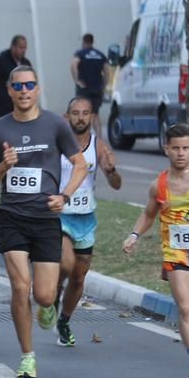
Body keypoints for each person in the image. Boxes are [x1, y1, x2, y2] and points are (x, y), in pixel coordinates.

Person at [0, 64, 87, 378]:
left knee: (42, 294)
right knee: (20, 286)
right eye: (18, 86)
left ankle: (48, 304)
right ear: (9, 91)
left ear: (38, 89)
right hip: (11, 216)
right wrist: (3, 166)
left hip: (45, 219)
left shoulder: (56, 124)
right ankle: (27, 356)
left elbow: (79, 165)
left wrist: (65, 196)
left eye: (30, 85)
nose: (24, 91)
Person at [122, 123, 189, 378]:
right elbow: (148, 214)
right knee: (185, 308)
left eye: (185, 148)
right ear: (166, 149)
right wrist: (134, 235)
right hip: (176, 256)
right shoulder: (159, 185)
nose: (181, 153)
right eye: (176, 148)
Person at [54, 95, 123, 348]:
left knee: (79, 277)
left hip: (85, 218)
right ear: (67, 116)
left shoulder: (100, 146)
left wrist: (112, 171)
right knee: (66, 261)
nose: (80, 117)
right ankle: (53, 294)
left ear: (92, 117)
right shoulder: (57, 144)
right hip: (59, 215)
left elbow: (116, 186)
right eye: (76, 113)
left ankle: (64, 320)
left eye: (85, 113)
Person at [71, 34, 109, 109]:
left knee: (83, 112)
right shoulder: (100, 55)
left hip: (84, 88)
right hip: (97, 88)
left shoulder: (80, 54)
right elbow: (107, 72)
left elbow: (73, 65)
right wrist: (104, 85)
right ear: (93, 42)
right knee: (95, 113)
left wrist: (77, 80)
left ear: (83, 42)